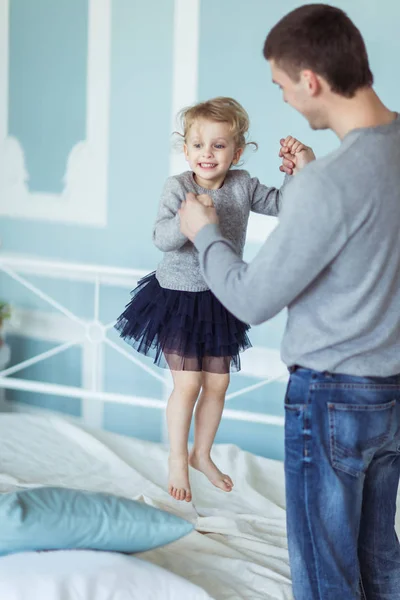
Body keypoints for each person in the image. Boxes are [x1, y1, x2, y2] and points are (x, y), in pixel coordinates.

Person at [178, 5, 400, 600]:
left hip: (331, 397)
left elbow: (252, 299)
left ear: (311, 81)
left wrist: (204, 232)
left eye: (281, 86)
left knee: (327, 578)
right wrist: (308, 179)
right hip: (392, 392)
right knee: (381, 561)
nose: (285, 101)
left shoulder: (329, 184)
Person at [115, 96, 310, 503]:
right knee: (187, 384)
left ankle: (201, 454)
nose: (207, 154)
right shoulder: (178, 187)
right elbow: (160, 238)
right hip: (176, 299)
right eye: (198, 145)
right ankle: (176, 458)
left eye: (219, 146)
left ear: (236, 152)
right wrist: (191, 223)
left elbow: (285, 205)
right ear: (185, 150)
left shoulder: (242, 184)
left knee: (218, 383)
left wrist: (297, 174)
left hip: (220, 298)